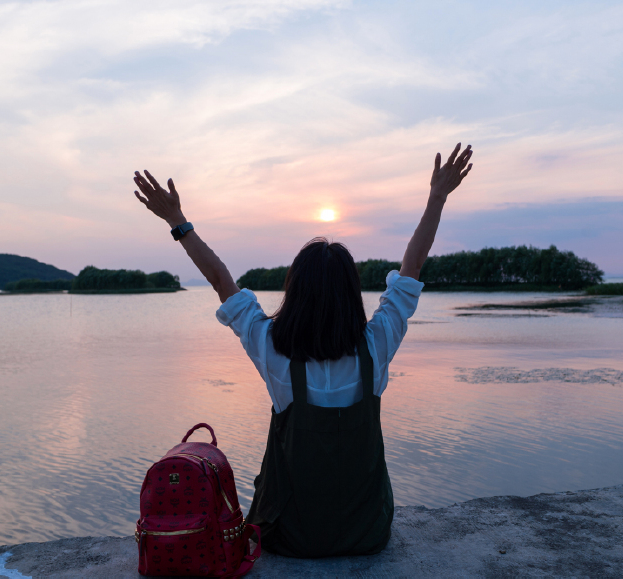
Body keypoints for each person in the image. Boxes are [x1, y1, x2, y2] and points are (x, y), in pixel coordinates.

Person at [132, 143, 474, 558]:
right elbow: (412, 268)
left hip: (286, 536)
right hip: (366, 533)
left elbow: (221, 278)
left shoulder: (272, 349)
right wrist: (437, 197)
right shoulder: (376, 347)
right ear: (351, 294)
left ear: (295, 292)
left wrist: (178, 222)